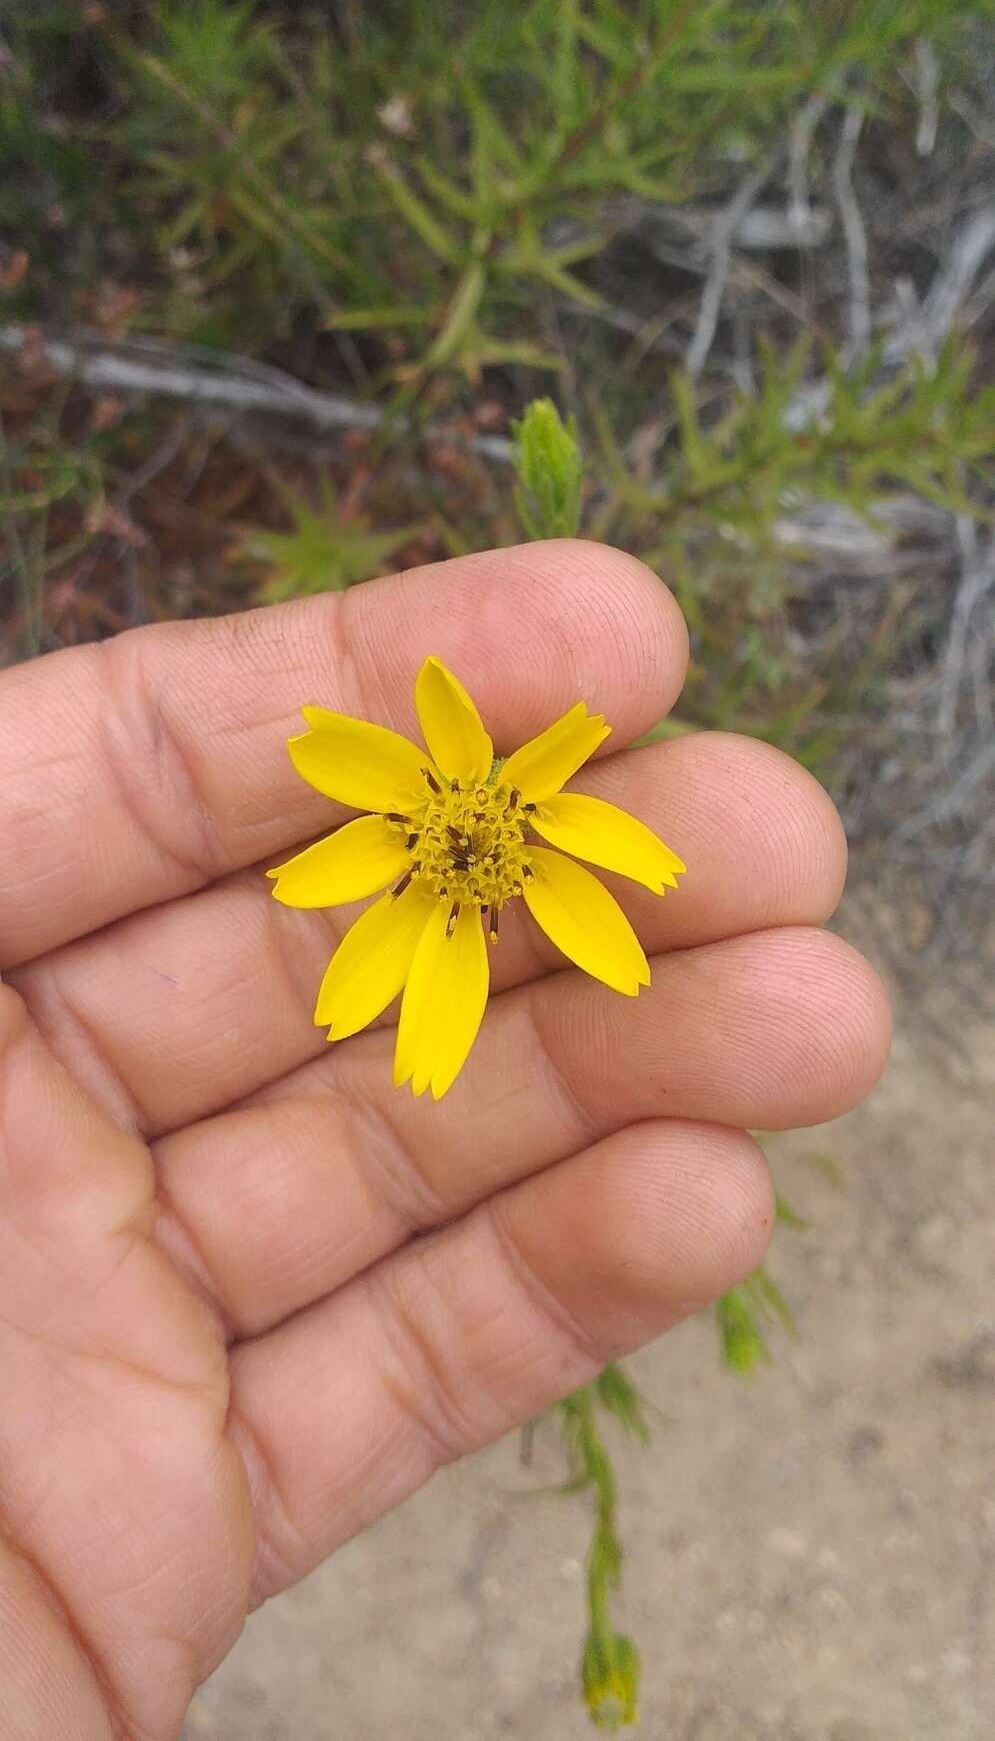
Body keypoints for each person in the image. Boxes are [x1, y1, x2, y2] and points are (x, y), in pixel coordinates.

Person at [0, 541, 890, 1739]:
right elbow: (353, 811)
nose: (472, 849)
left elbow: (571, 801)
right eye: (464, 841)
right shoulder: (405, 819)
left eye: (481, 842)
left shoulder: (530, 817)